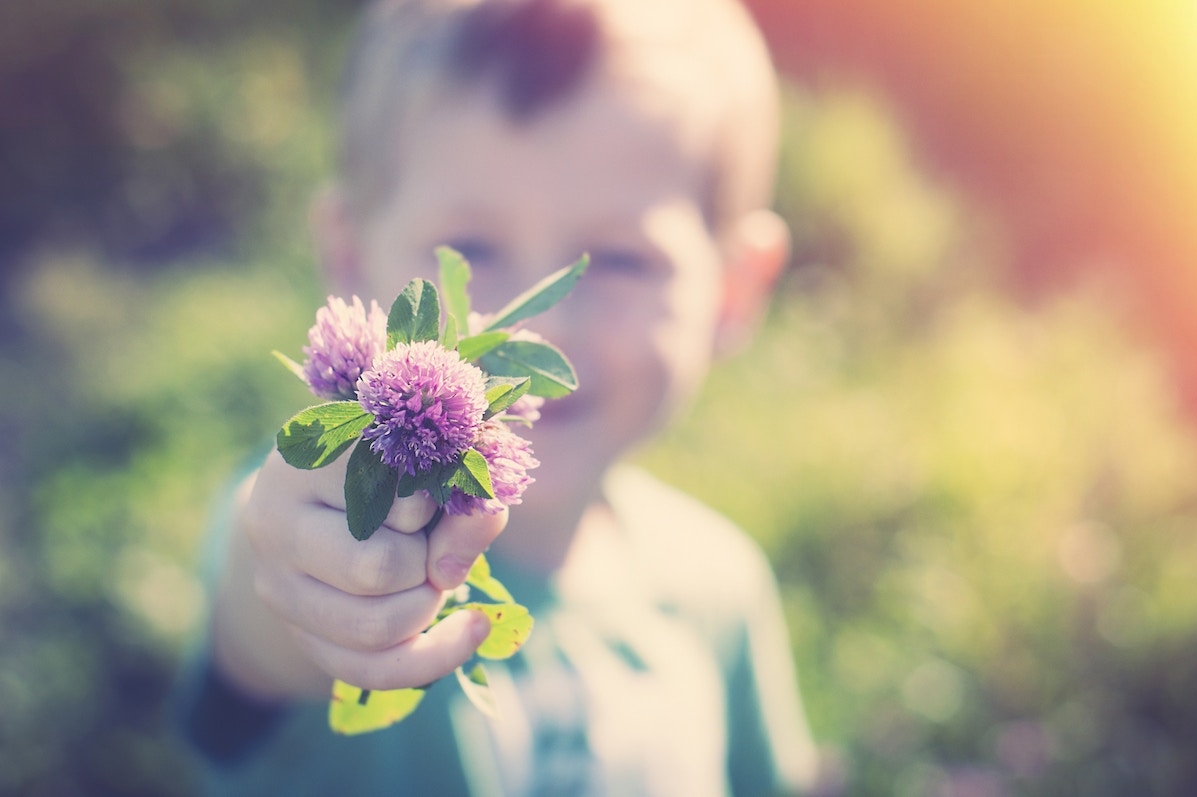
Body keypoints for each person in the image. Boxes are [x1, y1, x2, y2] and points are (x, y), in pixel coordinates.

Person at [177, 0, 821, 793]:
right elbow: (264, 601)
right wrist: (310, 591)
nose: (538, 333)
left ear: (733, 289)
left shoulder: (722, 583)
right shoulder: (319, 525)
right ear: (347, 253)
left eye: (618, 260)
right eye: (471, 249)